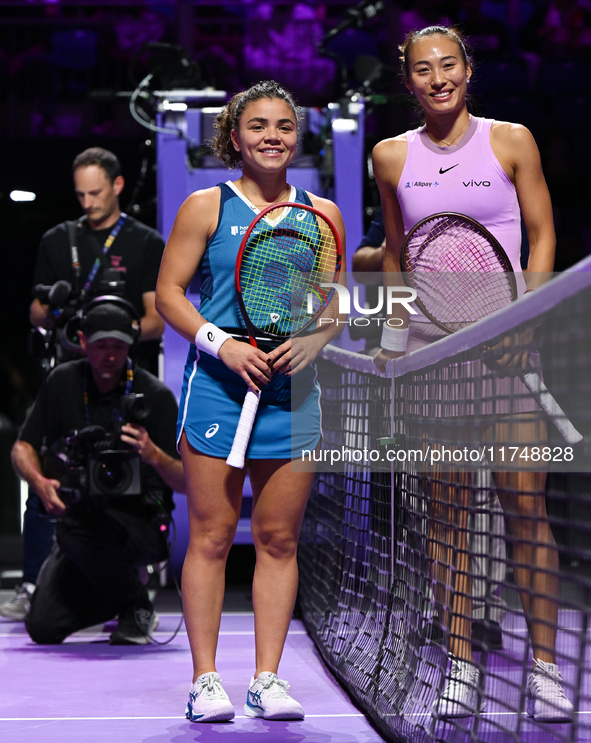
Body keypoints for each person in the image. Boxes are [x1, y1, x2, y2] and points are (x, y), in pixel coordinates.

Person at [372, 26, 573, 722]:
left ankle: (546, 667)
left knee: (526, 506)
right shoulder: (391, 155)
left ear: (466, 70)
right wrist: (396, 335)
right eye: (422, 70)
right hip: (434, 357)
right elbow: (397, 254)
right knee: (449, 521)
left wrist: (528, 317)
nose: (437, 78)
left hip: (508, 351)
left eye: (447, 65)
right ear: (409, 82)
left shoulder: (510, 140)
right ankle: (460, 662)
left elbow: (542, 233)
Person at [155, 80, 347, 722]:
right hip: (218, 388)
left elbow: (334, 302)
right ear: (234, 136)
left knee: (278, 539)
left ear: (298, 135)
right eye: (259, 125)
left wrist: (317, 340)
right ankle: (206, 681)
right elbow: (169, 295)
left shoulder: (324, 213)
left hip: (293, 395)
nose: (273, 137)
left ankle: (267, 679)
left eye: (285, 126)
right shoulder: (205, 206)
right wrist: (222, 345)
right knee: (209, 536)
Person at [0, 147, 166, 622]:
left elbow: (157, 318)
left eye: (95, 192)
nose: (87, 202)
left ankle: (128, 587)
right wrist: (53, 307)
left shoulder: (144, 242)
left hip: (124, 376)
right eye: (79, 194)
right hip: (69, 376)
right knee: (49, 473)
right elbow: (34, 315)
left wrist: (111, 332)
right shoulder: (58, 239)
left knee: (125, 479)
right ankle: (33, 583)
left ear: (116, 186)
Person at [353, 207, 508, 647]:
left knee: (483, 495)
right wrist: (397, 251)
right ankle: (439, 607)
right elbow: (363, 261)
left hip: (481, 360)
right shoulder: (403, 203)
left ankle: (483, 612)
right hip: (415, 366)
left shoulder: (485, 211)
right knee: (426, 499)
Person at [10, 301, 184, 644]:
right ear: (83, 342)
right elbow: (22, 447)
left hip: (141, 519)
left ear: (130, 346)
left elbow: (188, 482)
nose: (109, 355)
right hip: (83, 513)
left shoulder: (155, 395)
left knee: (74, 535)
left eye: (118, 347)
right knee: (43, 627)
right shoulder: (63, 381)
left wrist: (153, 455)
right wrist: (40, 483)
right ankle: (129, 599)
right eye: (101, 345)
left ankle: (133, 600)